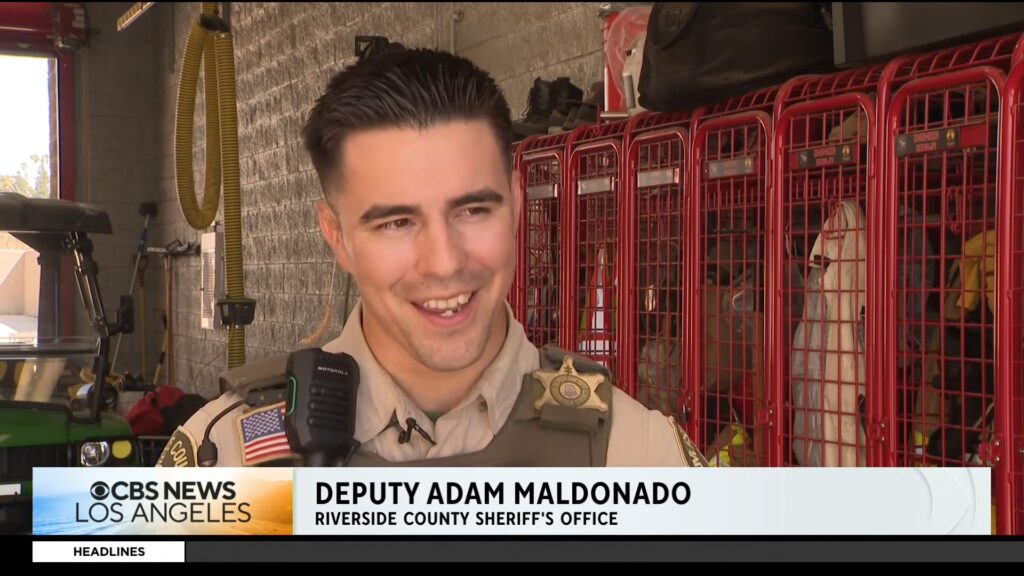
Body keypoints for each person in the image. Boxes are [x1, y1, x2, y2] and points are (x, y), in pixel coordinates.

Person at [157, 48, 706, 468]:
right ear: (338, 237)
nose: (444, 263)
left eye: (472, 210)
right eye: (397, 222)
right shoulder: (226, 457)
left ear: (516, 205)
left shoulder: (634, 455)